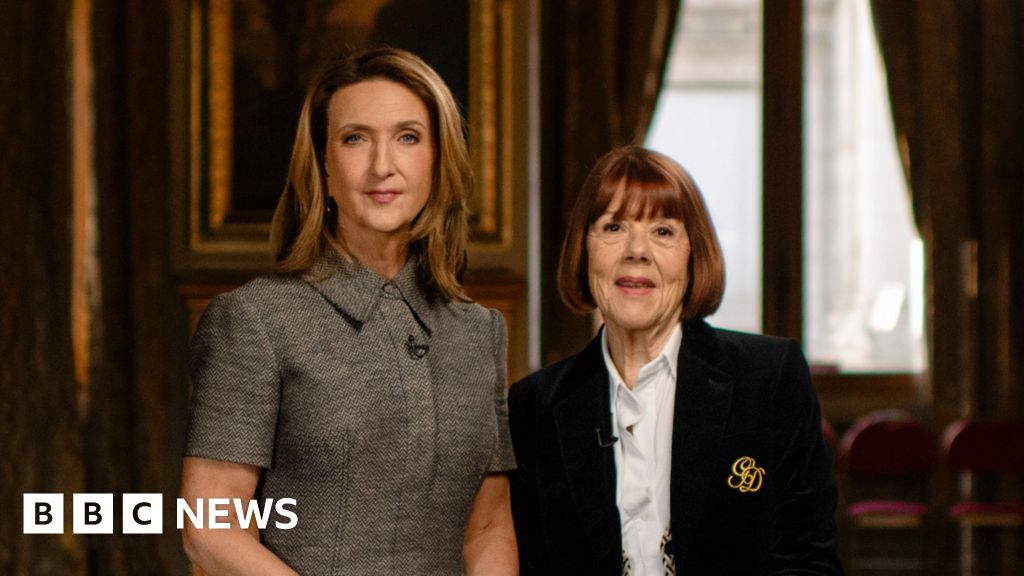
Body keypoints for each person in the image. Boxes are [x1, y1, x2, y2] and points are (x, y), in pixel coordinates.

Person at [180, 47, 517, 575]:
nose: (383, 165)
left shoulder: (479, 331)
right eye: (355, 138)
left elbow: (488, 529)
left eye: (408, 137)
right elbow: (210, 528)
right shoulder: (254, 319)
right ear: (323, 166)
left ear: (438, 159)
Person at [508, 146, 841, 575]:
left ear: (692, 255)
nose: (637, 251)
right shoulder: (534, 406)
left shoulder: (770, 376)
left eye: (662, 231)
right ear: (584, 250)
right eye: (613, 227)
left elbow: (809, 561)